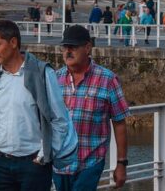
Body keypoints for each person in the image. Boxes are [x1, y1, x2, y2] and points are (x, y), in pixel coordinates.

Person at [0, 20, 76, 191]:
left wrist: (42, 156)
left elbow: (60, 119)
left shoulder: (42, 73)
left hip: (34, 165)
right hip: (0, 164)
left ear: (13, 42)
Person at [53, 25, 130, 191]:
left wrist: (121, 163)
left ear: (87, 48)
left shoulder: (107, 79)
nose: (68, 51)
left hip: (90, 161)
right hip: (59, 164)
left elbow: (119, 122)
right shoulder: (54, 79)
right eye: (65, 47)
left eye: (73, 47)